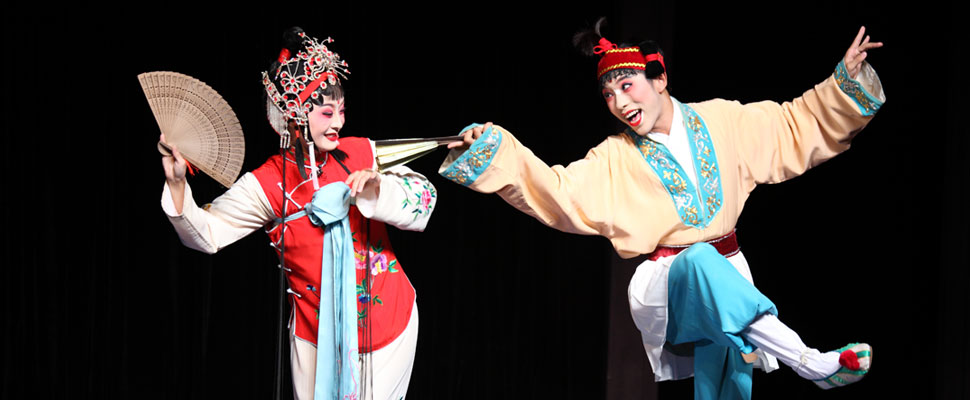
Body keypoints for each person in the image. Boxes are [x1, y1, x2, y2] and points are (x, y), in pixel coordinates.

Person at [440, 22, 883, 399]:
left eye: (626, 85)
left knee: (728, 386)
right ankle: (809, 360)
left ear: (660, 79)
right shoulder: (614, 156)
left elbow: (792, 125)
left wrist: (842, 80)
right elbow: (558, 190)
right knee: (700, 262)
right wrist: (498, 150)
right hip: (668, 283)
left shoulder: (722, 120)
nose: (619, 102)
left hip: (731, 275)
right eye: (608, 94)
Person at [160, 27, 436, 400]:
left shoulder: (360, 153)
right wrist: (178, 185)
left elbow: (424, 197)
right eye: (326, 112)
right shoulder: (270, 182)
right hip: (314, 337)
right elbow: (207, 235)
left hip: (388, 324)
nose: (337, 122)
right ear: (295, 113)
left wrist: (378, 188)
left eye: (341, 110)